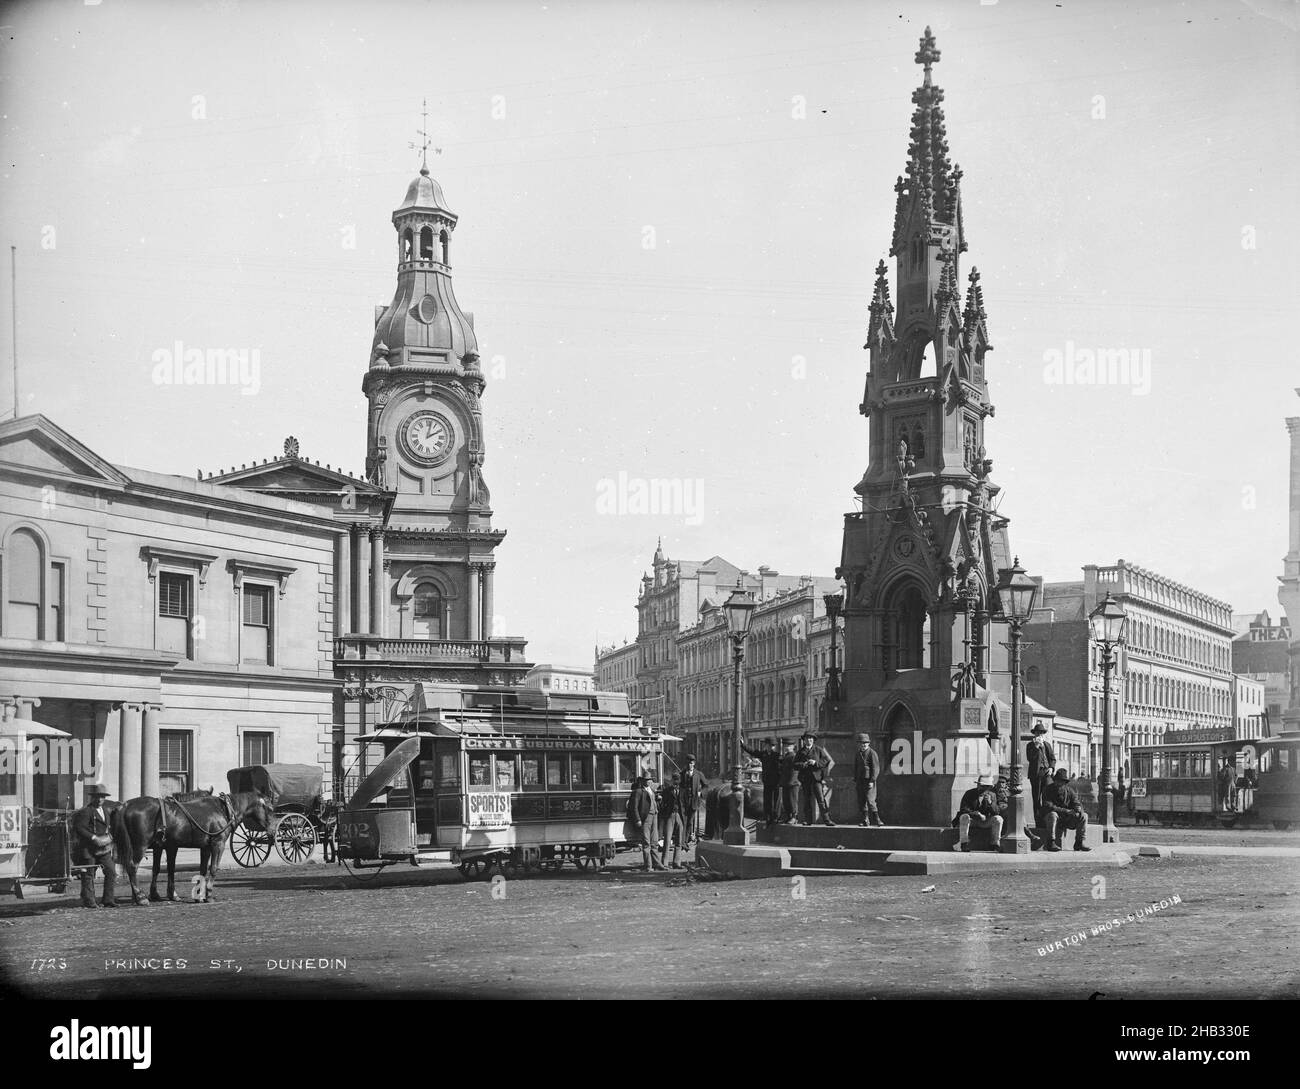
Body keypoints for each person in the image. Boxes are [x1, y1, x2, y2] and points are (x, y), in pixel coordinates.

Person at [70, 783, 117, 909]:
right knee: (89, 875)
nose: (100, 799)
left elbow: (108, 827)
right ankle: (89, 901)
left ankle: (108, 900)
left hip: (103, 849)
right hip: (88, 849)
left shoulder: (105, 811)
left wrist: (109, 837)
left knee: (111, 871)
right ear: (93, 797)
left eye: (102, 797)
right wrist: (94, 837)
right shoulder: (86, 811)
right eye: (97, 796)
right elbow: (79, 828)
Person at [1036, 768, 1090, 852]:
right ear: (1054, 781)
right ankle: (1051, 842)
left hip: (1066, 819)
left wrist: (1078, 809)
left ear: (1065, 783)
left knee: (1084, 816)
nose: (1059, 784)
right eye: (1057, 781)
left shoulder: (1070, 791)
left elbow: (1076, 802)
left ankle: (1079, 842)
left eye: (1062, 782)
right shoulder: (1047, 790)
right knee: (1053, 814)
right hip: (1050, 819)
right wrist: (1066, 811)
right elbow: (1049, 806)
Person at [952, 774, 1005, 851]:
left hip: (985, 821)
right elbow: (963, 809)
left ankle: (995, 844)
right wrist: (977, 814)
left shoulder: (992, 795)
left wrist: (990, 803)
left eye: (987, 787)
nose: (984, 789)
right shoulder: (969, 794)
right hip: (972, 820)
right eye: (982, 786)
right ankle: (964, 843)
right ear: (978, 785)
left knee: (998, 819)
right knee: (964, 817)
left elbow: (997, 812)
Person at [625, 776, 665, 871]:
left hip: (654, 816)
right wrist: (638, 819)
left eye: (650, 780)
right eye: (647, 780)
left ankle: (657, 864)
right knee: (646, 843)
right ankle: (648, 866)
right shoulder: (638, 791)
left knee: (655, 842)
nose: (649, 781)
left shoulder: (651, 790)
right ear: (643, 781)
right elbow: (634, 807)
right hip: (645, 818)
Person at [796, 733, 835, 826]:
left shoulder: (818, 750)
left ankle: (827, 820)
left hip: (816, 779)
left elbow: (827, 760)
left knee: (821, 799)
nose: (809, 740)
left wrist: (816, 763)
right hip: (805, 779)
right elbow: (795, 764)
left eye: (810, 739)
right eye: (807, 739)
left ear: (813, 740)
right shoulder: (801, 751)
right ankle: (808, 820)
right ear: (804, 740)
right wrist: (803, 764)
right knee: (806, 800)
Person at [741, 737, 782, 827]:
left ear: (773, 747)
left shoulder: (777, 756)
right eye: (767, 745)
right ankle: (767, 817)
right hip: (767, 781)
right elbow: (753, 751)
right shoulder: (764, 755)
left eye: (771, 746)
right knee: (767, 800)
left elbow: (781, 769)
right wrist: (743, 744)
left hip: (775, 782)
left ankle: (775, 818)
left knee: (776, 801)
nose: (768, 747)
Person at [1026, 722, 1056, 824]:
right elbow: (1030, 758)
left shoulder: (1047, 745)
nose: (1039, 735)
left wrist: (1051, 768)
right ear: (1034, 734)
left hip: (1047, 773)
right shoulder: (1030, 745)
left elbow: (1052, 758)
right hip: (1036, 774)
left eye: (1041, 733)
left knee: (1048, 796)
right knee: (1037, 797)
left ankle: (1047, 818)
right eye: (1038, 733)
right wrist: (1036, 746)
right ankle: (1038, 821)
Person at [853, 733, 884, 827]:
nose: (863, 745)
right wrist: (855, 778)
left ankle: (877, 819)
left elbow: (876, 768)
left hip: (868, 780)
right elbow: (856, 767)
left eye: (865, 743)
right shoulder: (858, 753)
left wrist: (872, 780)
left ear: (868, 743)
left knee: (870, 800)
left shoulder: (872, 753)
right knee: (861, 800)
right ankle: (865, 820)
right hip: (860, 780)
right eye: (861, 743)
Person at [658, 772, 686, 869]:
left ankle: (676, 863)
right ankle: (664, 863)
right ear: (672, 780)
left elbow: (685, 804)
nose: (676, 782)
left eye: (677, 780)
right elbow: (662, 804)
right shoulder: (666, 791)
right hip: (669, 816)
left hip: (680, 816)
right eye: (674, 779)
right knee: (667, 839)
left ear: (680, 781)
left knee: (679, 840)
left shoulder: (683, 791)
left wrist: (684, 816)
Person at [679, 755, 708, 845]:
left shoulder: (698, 774)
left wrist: (701, 793)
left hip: (694, 801)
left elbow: (706, 785)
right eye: (688, 763)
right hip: (684, 801)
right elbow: (679, 785)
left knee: (690, 821)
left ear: (694, 764)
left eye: (691, 763)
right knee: (683, 820)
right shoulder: (682, 773)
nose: (689, 765)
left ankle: (687, 839)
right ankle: (683, 840)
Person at [778, 739, 799, 823]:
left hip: (792, 783)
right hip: (785, 782)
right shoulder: (786, 756)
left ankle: (794, 817)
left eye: (789, 746)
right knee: (786, 800)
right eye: (785, 746)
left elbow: (795, 771)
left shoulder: (794, 756)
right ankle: (788, 816)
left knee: (792, 800)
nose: (786, 747)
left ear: (793, 747)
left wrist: (791, 781)